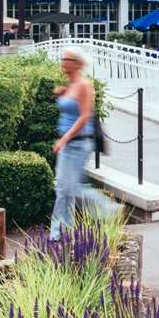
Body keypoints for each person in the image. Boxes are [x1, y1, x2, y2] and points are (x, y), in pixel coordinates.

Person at [49, 50, 120, 238]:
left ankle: (106, 207)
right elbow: (70, 108)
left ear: (76, 63)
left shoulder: (84, 85)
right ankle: (64, 232)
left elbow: (84, 116)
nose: (63, 63)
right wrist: (62, 95)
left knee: (68, 188)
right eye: (62, 59)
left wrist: (64, 139)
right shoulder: (71, 85)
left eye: (66, 60)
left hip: (79, 144)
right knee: (64, 190)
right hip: (69, 144)